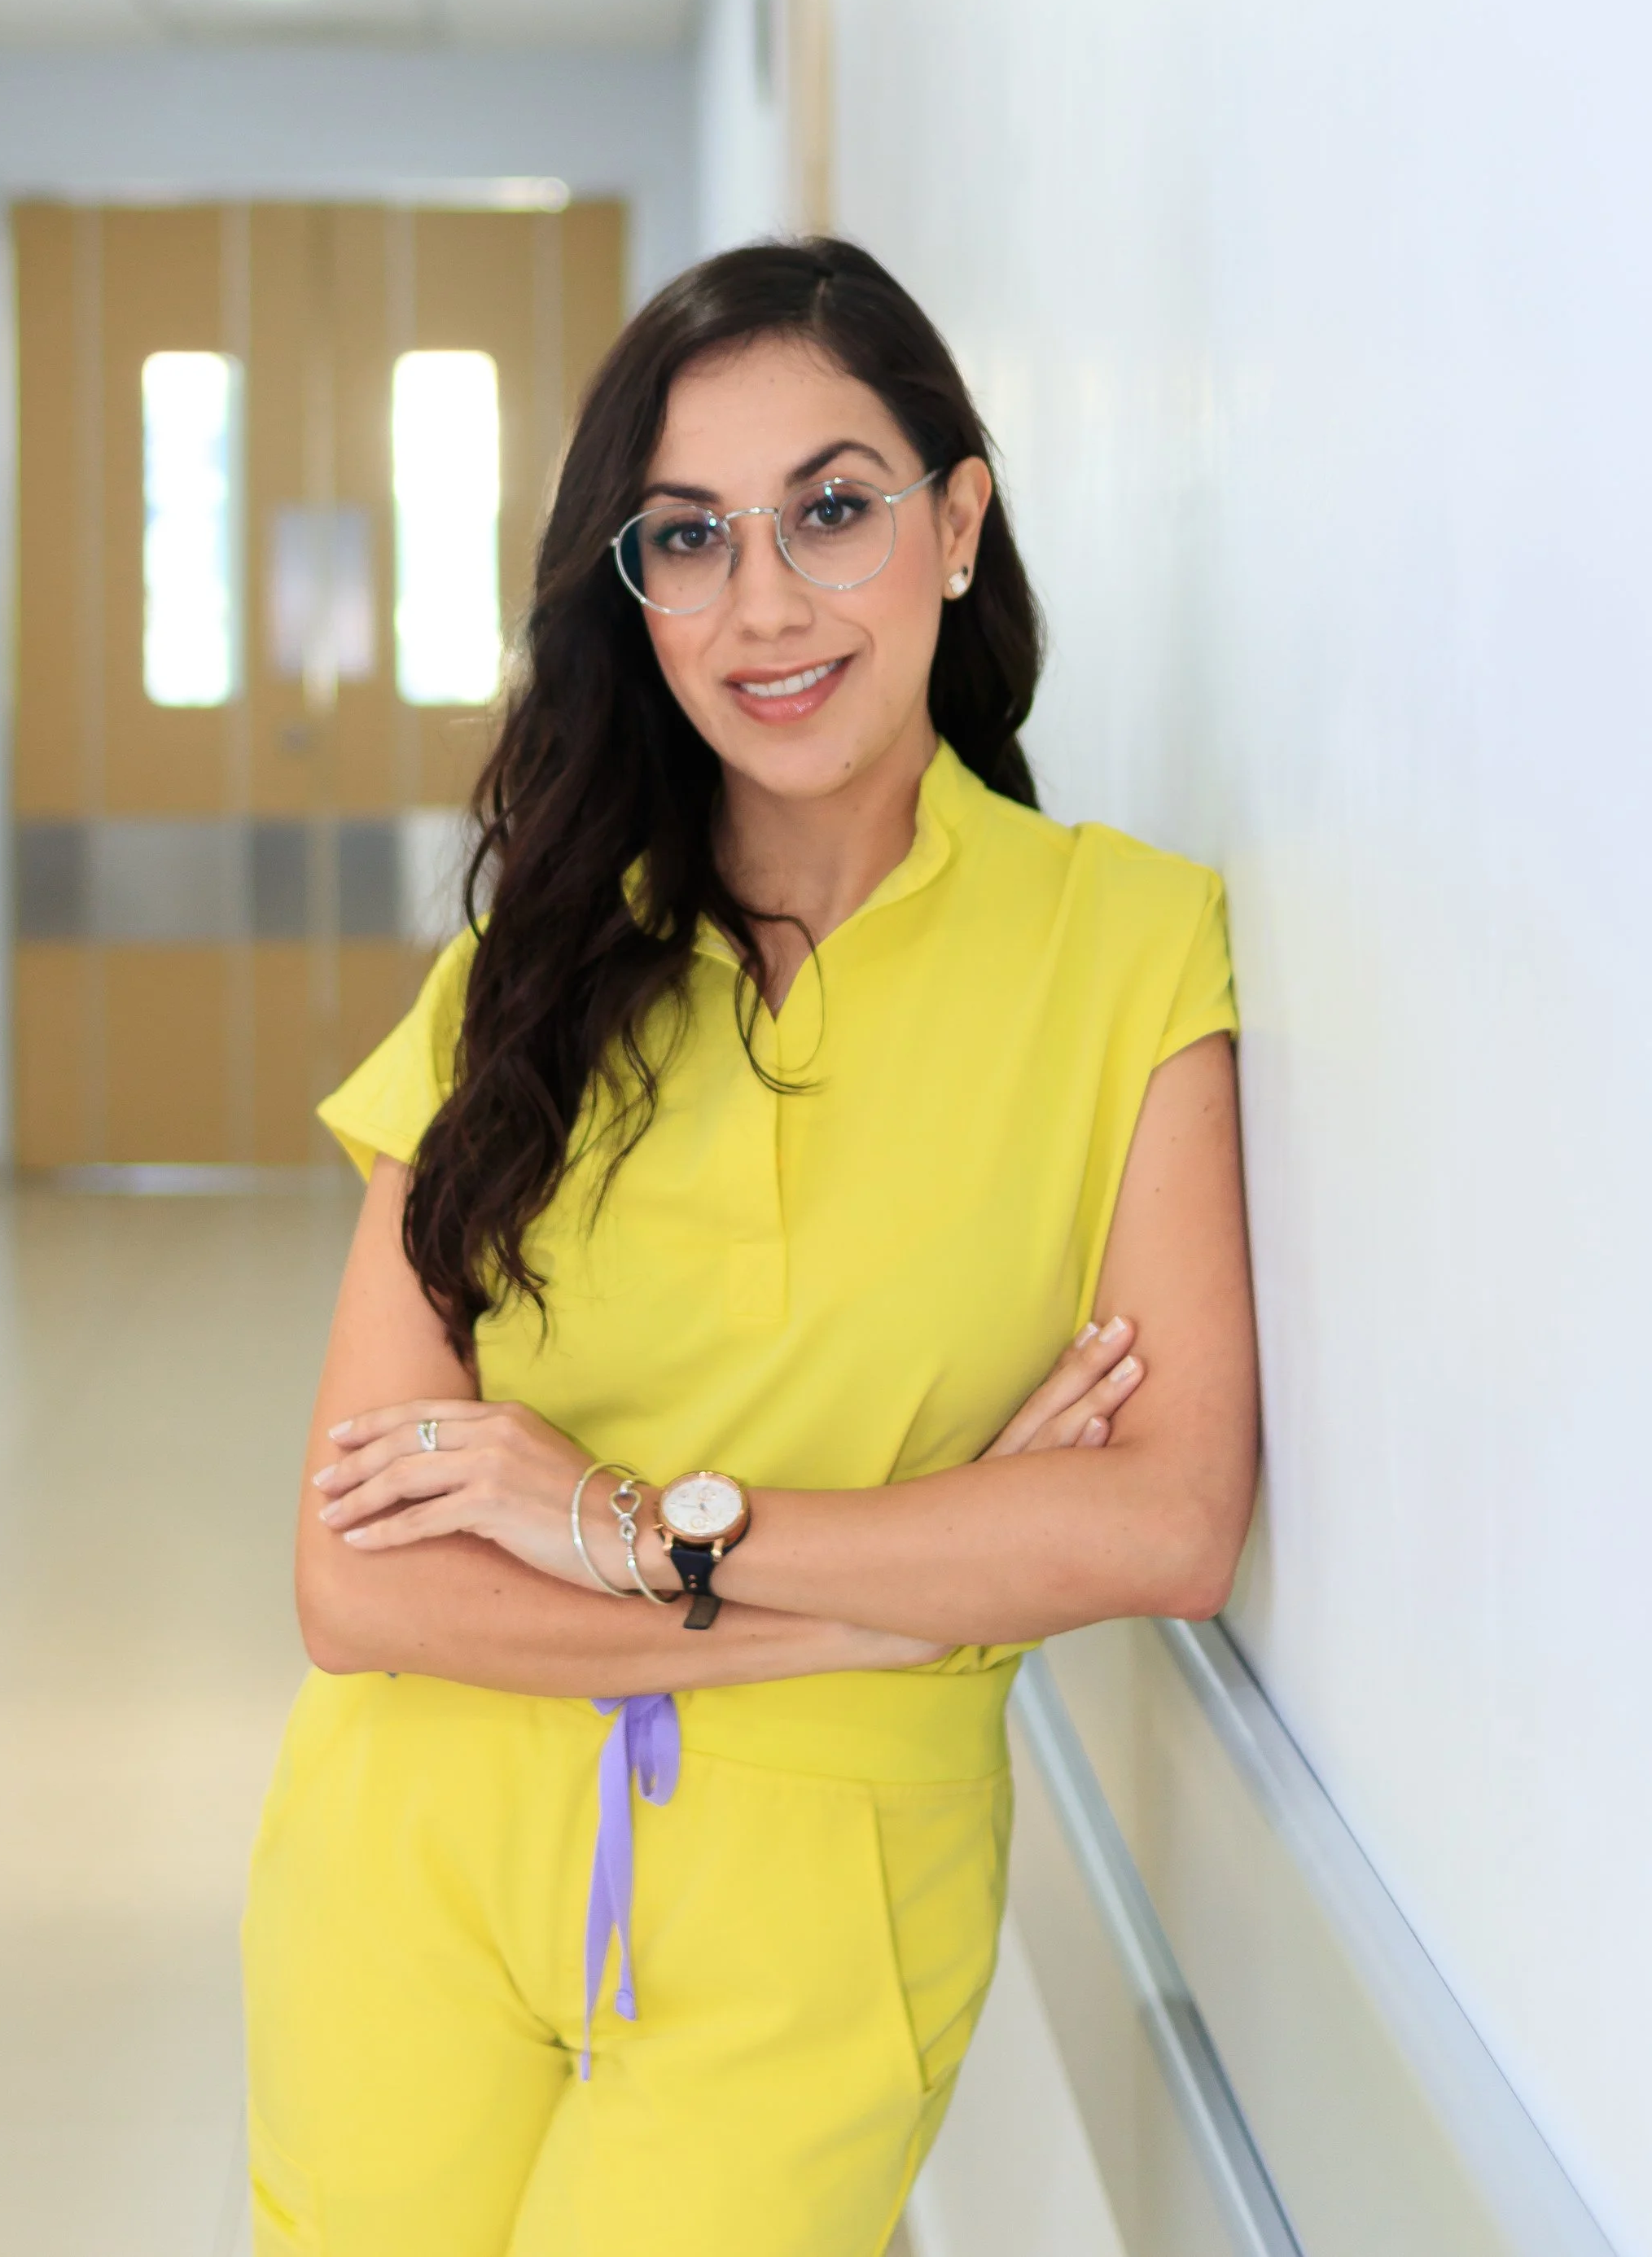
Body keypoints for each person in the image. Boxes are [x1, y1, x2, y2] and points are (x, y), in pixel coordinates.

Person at [242, 236, 1259, 2257]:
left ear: (956, 524)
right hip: (408, 1863)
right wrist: (907, 1588)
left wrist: (613, 1521)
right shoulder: (518, 977)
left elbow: (1164, 1522)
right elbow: (355, 1590)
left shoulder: (1126, 951)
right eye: (686, 537)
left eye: (832, 510)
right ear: (628, 594)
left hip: (828, 1905)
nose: (763, 604)